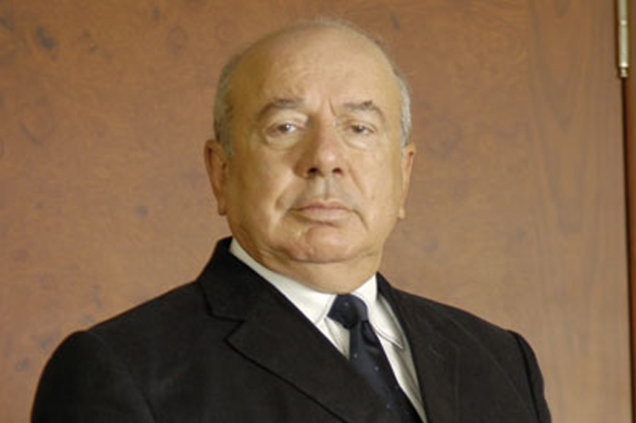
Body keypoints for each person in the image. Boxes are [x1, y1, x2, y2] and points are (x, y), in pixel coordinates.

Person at [32, 19, 551, 423]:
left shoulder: (501, 360)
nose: (325, 157)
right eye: (285, 126)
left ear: (404, 173)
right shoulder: (120, 370)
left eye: (359, 127)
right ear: (221, 171)